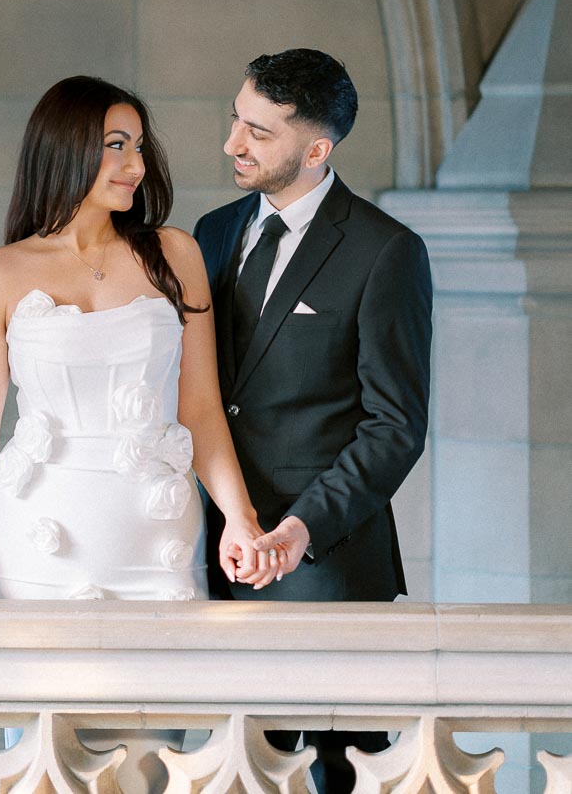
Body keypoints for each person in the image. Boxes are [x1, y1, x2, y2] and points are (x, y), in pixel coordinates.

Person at [0, 75, 273, 622]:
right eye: (116, 146)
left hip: (158, 528)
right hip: (37, 530)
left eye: (139, 147)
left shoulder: (175, 254)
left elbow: (200, 407)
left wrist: (241, 518)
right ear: (64, 150)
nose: (136, 165)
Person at [194, 49, 432, 794]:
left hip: (328, 567)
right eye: (237, 118)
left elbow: (394, 425)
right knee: (227, 771)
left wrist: (299, 530)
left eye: (259, 132)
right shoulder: (210, 231)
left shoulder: (385, 251)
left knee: (341, 777)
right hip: (207, 552)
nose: (233, 142)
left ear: (315, 149)